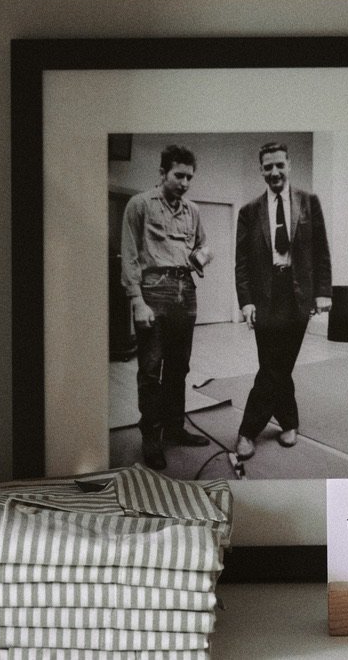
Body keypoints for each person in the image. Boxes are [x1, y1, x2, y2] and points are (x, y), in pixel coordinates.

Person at [234, 140, 332, 459]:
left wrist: (323, 291)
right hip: (265, 295)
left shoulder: (309, 202)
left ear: (289, 165)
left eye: (279, 165)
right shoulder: (249, 212)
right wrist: (246, 301)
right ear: (260, 170)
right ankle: (278, 425)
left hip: (297, 294)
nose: (274, 171)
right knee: (273, 365)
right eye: (268, 167)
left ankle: (256, 429)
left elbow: (321, 251)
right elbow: (242, 262)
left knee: (279, 364)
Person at [120, 143, 213, 471]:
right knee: (150, 370)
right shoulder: (139, 205)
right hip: (153, 293)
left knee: (179, 367)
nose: (185, 183)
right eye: (179, 175)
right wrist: (137, 300)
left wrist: (203, 255)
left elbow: (203, 244)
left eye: (190, 177)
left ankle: (175, 428)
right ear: (162, 173)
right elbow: (130, 256)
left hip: (185, 293)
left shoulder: (193, 211)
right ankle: (151, 437)